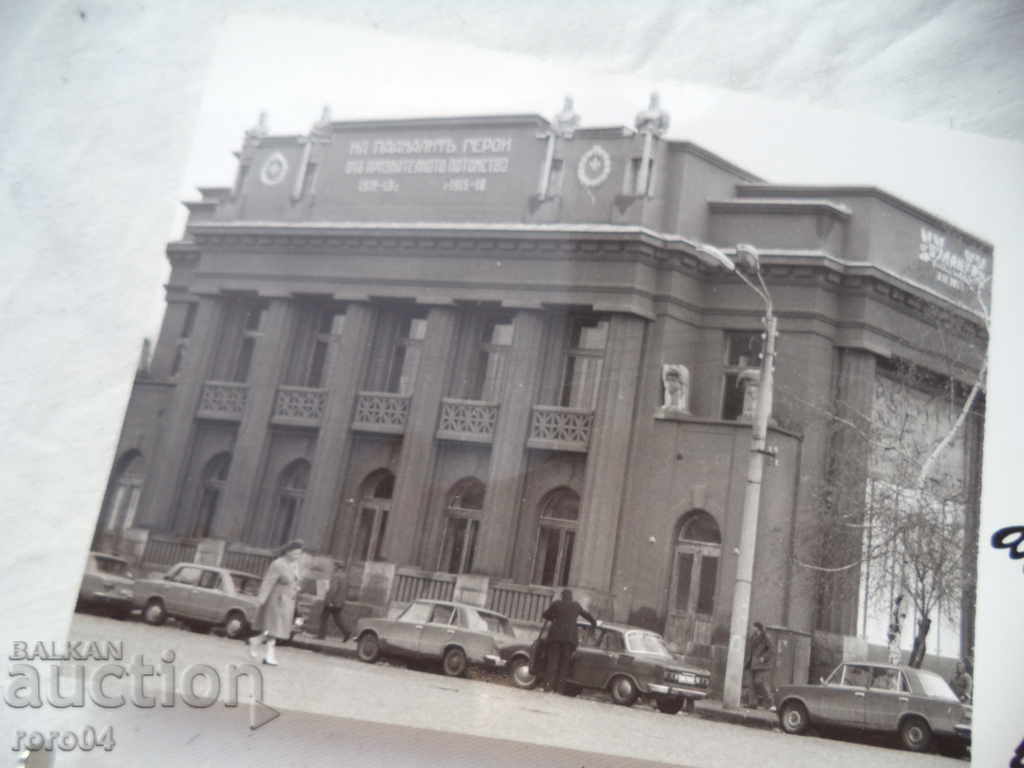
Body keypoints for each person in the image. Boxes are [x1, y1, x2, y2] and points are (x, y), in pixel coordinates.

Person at [249, 539, 303, 666]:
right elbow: (268, 581)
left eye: (299, 554)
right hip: (276, 600)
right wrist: (261, 599)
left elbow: (293, 580)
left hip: (288, 601)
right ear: (288, 552)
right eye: (295, 553)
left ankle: (256, 641)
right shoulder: (278, 564)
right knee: (274, 628)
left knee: (276, 629)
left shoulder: (294, 565)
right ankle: (269, 656)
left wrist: (296, 587)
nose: (297, 556)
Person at [540, 589, 597, 694]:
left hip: (555, 638)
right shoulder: (576, 605)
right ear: (571, 597)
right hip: (569, 640)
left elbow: (545, 615)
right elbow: (587, 616)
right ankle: (559, 690)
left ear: (562, 596)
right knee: (564, 664)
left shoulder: (556, 604)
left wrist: (554, 618)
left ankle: (548, 688)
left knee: (553, 662)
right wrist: (594, 623)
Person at [744, 621, 775, 710]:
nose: (752, 629)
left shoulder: (766, 637)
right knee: (750, 684)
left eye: (754, 627)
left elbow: (772, 650)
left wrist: (764, 658)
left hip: (761, 664)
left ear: (758, 628)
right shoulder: (752, 637)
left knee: (760, 682)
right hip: (751, 663)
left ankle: (770, 703)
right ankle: (752, 703)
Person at [317, 561, 351, 642]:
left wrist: (328, 600)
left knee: (323, 617)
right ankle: (346, 632)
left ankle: (321, 635)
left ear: (337, 567)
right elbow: (346, 590)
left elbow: (333, 589)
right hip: (340, 602)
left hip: (332, 601)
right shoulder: (345, 577)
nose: (333, 568)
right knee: (338, 618)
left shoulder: (336, 576)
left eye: (334, 566)